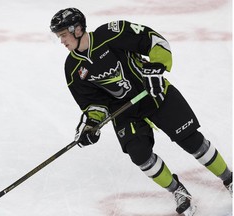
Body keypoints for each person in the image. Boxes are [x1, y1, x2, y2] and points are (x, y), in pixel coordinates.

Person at [50, 8, 232, 216]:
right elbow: (93, 104)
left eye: (63, 35)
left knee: (191, 140)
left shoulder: (112, 33)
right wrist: (92, 124)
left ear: (78, 29)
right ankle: (178, 191)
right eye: (59, 37)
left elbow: (154, 41)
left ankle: (230, 180)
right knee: (140, 155)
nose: (62, 41)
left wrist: (156, 67)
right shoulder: (72, 68)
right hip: (124, 112)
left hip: (154, 94)